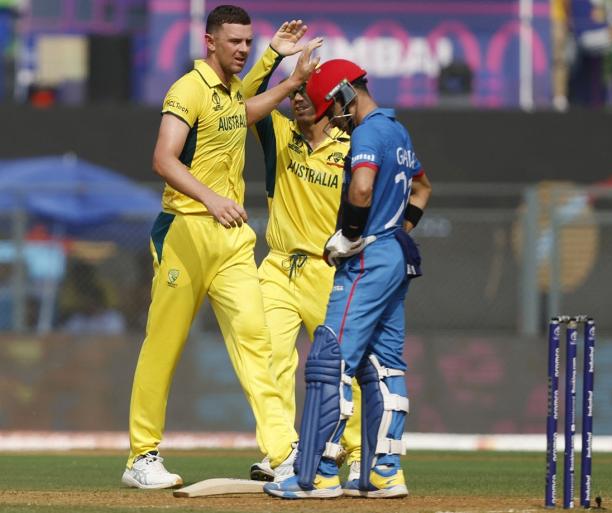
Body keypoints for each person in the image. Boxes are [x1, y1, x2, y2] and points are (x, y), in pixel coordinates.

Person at [122, 5, 322, 489]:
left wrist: (291, 80)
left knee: (257, 342)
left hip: (231, 240)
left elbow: (245, 110)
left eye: (249, 42)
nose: (243, 48)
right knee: (163, 347)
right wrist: (212, 198)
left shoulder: (231, 92)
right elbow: (163, 159)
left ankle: (282, 451)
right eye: (235, 41)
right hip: (185, 230)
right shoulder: (187, 89)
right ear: (209, 42)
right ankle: (141, 457)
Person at [264, 59, 432, 499]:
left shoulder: (366, 133)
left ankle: (316, 474)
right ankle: (384, 471)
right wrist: (398, 232)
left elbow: (360, 189)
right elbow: (423, 188)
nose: (329, 113)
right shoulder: (398, 131)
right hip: (395, 255)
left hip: (366, 260)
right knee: (384, 365)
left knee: (330, 359)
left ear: (342, 92)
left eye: (328, 103)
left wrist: (351, 237)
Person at [240, 28, 362, 484]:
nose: (299, 100)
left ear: (330, 103)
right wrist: (275, 59)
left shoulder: (351, 149)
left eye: (309, 93)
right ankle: (283, 452)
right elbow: (243, 102)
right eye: (297, 93)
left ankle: (355, 452)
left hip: (330, 270)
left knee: (341, 368)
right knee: (270, 358)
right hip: (277, 265)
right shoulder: (278, 132)